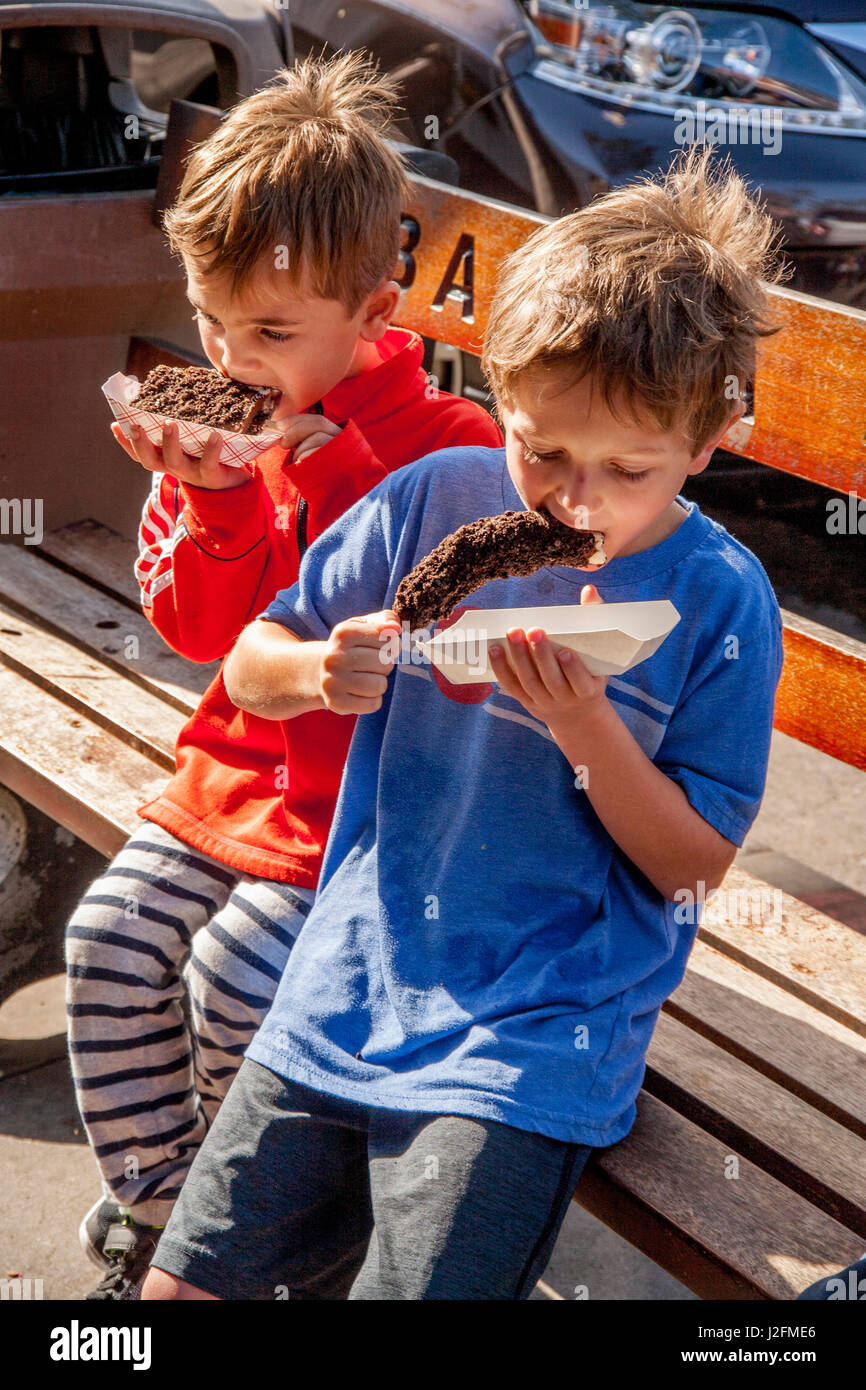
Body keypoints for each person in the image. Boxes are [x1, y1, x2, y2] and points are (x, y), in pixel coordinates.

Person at [141, 147, 787, 1301]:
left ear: (703, 444)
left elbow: (693, 862)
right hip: (350, 968)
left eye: (627, 469)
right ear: (501, 396)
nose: (570, 502)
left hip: (536, 1028)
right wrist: (314, 670)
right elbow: (249, 662)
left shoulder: (720, 601)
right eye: (539, 450)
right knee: (177, 1291)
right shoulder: (434, 500)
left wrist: (590, 734)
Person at [66, 51, 501, 1299]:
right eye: (210, 320)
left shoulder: (450, 448)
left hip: (375, 812)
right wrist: (211, 504)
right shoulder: (215, 431)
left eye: (269, 330)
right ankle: (173, 1214)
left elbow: (435, 634)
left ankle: (269, 1235)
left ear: (375, 312)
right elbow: (201, 634)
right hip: (236, 774)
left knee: (235, 975)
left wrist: (331, 476)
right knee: (109, 941)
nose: (229, 354)